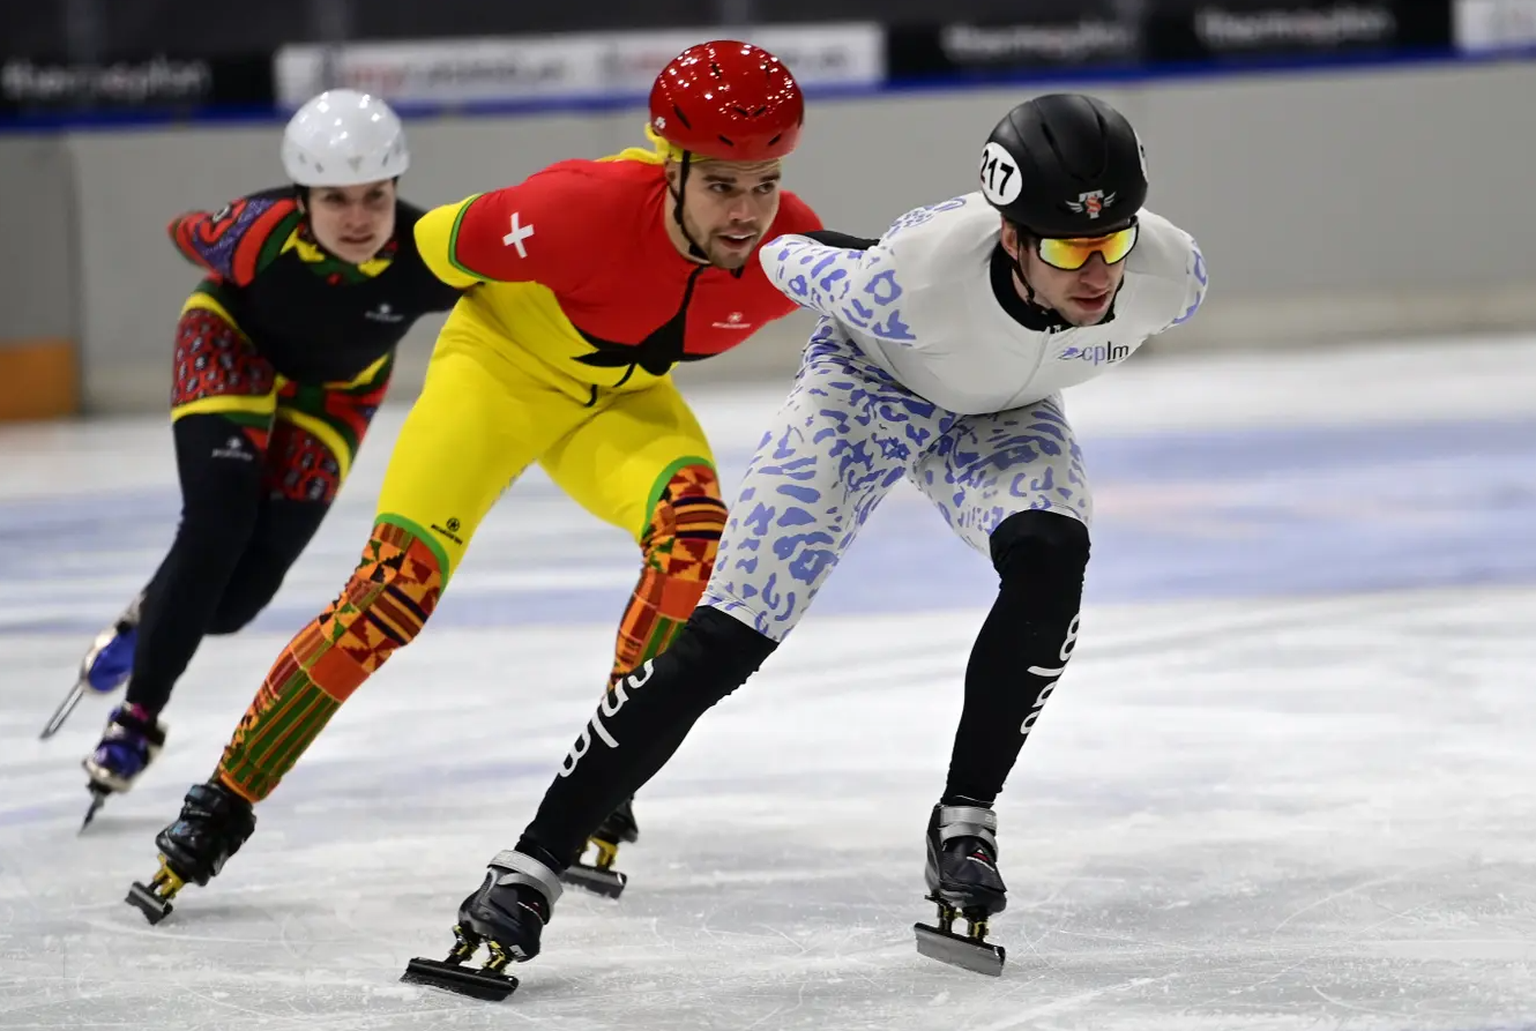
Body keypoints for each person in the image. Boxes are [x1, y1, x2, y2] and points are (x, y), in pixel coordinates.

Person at [398, 92, 1210, 997]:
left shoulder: (1171, 274)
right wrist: (732, 240)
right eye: (1066, 246)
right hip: (868, 388)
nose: (1097, 271)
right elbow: (786, 253)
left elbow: (1099, 288)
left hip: (1002, 416)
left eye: (1112, 242)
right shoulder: (913, 278)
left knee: (1054, 556)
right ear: (1010, 235)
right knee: (728, 636)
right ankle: (528, 868)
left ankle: (965, 823)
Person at [123, 40, 825, 924]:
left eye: (765, 182)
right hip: (495, 375)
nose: (747, 213)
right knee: (388, 599)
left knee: (693, 534)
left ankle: (610, 773)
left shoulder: (790, 241)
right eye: (723, 184)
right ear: (670, 164)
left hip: (618, 402)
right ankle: (219, 804)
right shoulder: (573, 207)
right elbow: (421, 249)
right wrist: (310, 331)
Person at [43, 88, 464, 831]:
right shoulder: (250, 232)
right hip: (230, 344)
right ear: (303, 197)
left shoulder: (428, 251)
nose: (360, 219)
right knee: (218, 518)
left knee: (234, 604)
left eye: (376, 196)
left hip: (338, 392)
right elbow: (185, 233)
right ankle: (138, 718)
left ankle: (147, 617)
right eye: (336, 199)